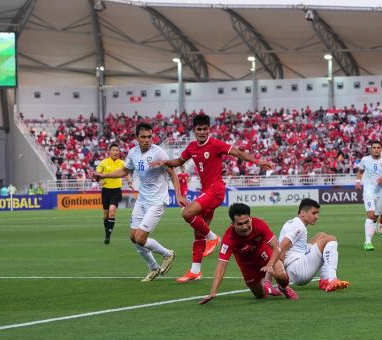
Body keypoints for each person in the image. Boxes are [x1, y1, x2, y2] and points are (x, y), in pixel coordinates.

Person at [150, 114, 273, 284]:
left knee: (187, 213)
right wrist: (163, 162)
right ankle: (195, 271)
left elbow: (237, 152)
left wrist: (257, 161)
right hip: (206, 191)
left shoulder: (215, 144)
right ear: (194, 130)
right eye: (199, 129)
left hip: (215, 190)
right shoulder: (192, 147)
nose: (202, 132)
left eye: (205, 129)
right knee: (198, 232)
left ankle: (214, 238)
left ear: (209, 129)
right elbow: (178, 161)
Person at [93, 123, 182, 282]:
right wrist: (103, 176)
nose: (147, 140)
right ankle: (153, 267)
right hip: (142, 200)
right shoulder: (133, 153)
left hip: (157, 201)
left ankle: (168, 254)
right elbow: (124, 171)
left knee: (141, 238)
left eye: (149, 137)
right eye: (143, 137)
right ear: (137, 138)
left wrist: (179, 195)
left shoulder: (158, 152)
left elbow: (173, 174)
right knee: (133, 237)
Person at [199, 203, 298, 304]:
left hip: (264, 255)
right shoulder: (228, 239)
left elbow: (276, 248)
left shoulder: (259, 224)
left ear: (250, 218)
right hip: (247, 266)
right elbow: (221, 266)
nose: (245, 227)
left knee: (281, 275)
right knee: (260, 295)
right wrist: (213, 292)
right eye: (240, 224)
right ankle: (268, 289)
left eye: (247, 222)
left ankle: (284, 287)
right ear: (232, 224)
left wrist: (270, 265)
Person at [275, 198, 350, 292]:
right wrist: (282, 278)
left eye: (317, 213)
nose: (317, 216)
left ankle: (324, 280)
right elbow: (281, 248)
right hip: (297, 270)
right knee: (330, 239)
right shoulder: (298, 227)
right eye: (314, 213)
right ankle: (332, 279)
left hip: (294, 266)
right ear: (302, 213)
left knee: (321, 235)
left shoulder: (293, 222)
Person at [95, 143, 134, 244]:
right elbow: (97, 174)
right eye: (113, 150)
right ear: (109, 151)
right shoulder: (103, 162)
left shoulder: (122, 163)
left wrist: (129, 182)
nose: (115, 152)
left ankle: (108, 235)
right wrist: (99, 181)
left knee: (112, 211)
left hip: (116, 190)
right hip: (106, 191)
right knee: (105, 214)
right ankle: (106, 231)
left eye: (117, 150)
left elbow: (125, 174)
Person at [355, 141, 382, 251]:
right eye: (374, 147)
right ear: (371, 149)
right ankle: (368, 242)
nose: (376, 149)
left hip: (380, 192)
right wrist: (357, 181)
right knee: (370, 215)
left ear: (381, 149)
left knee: (375, 217)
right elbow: (360, 172)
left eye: (378, 147)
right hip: (368, 191)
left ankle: (369, 239)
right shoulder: (365, 160)